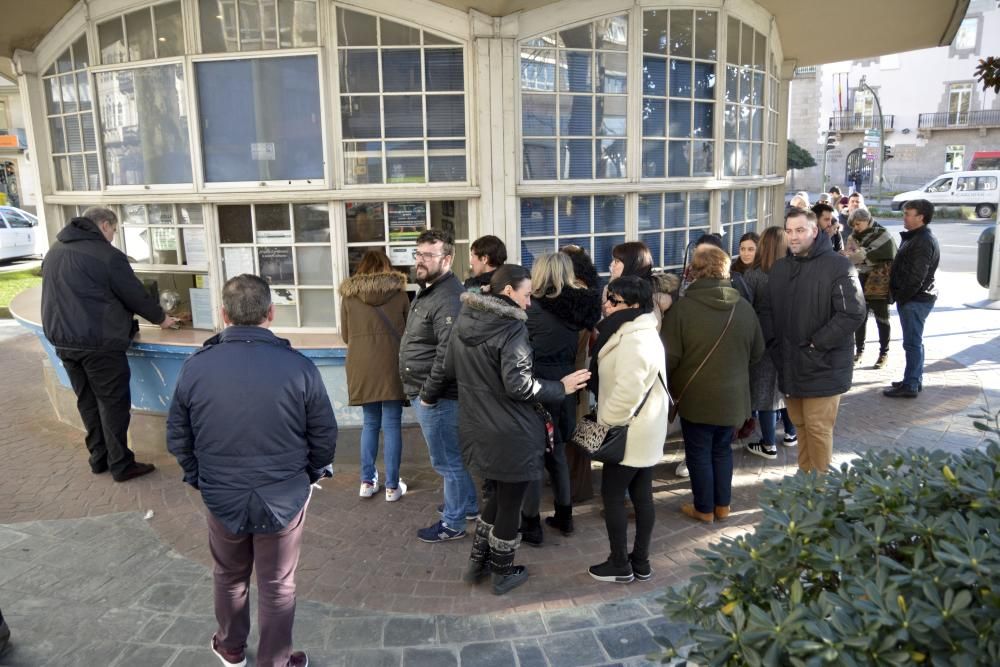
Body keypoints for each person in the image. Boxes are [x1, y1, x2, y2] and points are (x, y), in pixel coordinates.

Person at [167, 274, 338, 667]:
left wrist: (199, 477)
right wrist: (309, 476)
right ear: (270, 313)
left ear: (224, 315)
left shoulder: (196, 367)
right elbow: (324, 434)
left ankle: (230, 647)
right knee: (277, 585)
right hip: (283, 494)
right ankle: (273, 660)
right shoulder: (299, 366)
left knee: (229, 575)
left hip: (224, 491)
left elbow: (178, 434)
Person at [446, 265, 590, 595]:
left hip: (477, 427)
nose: (529, 304)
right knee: (510, 502)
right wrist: (561, 387)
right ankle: (502, 573)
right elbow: (519, 386)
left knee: (497, 496)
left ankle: (476, 564)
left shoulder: (464, 320)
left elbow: (450, 368)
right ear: (509, 292)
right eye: (526, 295)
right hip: (510, 432)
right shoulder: (512, 328)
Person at [41, 206, 179, 482]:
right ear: (104, 225)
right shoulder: (107, 256)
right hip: (98, 342)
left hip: (64, 340)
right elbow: (134, 295)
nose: (114, 236)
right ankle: (121, 464)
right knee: (113, 403)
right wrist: (162, 318)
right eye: (114, 230)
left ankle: (99, 457)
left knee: (87, 401)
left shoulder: (55, 250)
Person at [663, 246, 764, 522]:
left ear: (694, 271)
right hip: (734, 398)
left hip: (695, 396)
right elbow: (757, 353)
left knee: (698, 452)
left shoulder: (683, 309)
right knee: (722, 450)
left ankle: (704, 508)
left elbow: (669, 357)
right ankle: (723, 506)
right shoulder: (743, 307)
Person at [761, 208, 865, 474]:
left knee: (818, 428)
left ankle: (820, 490)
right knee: (800, 425)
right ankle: (805, 482)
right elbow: (768, 310)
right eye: (789, 231)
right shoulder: (781, 268)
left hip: (824, 365)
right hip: (789, 363)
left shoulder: (838, 265)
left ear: (814, 231)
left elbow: (853, 313)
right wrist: (775, 344)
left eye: (800, 230)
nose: (793, 237)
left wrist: (816, 343)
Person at [587, 276, 670, 582]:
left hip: (630, 430)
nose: (606, 306)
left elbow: (628, 391)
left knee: (613, 496)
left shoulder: (636, 337)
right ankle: (640, 562)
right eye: (607, 299)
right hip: (641, 428)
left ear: (634, 305)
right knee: (641, 494)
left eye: (614, 301)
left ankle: (621, 563)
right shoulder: (634, 328)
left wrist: (606, 422)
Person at [400, 229, 479, 541]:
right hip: (428, 393)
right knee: (451, 460)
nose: (420, 261)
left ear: (447, 259)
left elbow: (448, 355)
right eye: (418, 254)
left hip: (438, 397)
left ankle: (453, 523)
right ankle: (468, 505)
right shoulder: (430, 289)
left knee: (447, 463)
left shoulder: (448, 298)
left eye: (428, 256)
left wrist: (429, 395)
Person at [520, 253, 602, 544]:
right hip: (567, 386)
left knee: (531, 456)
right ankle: (565, 516)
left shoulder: (532, 311)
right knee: (556, 454)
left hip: (537, 387)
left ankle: (530, 525)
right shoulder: (579, 309)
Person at [339, 249, 410, 502]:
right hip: (391, 362)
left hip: (361, 364)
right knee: (391, 424)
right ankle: (392, 486)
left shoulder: (349, 297)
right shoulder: (400, 295)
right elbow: (408, 333)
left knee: (370, 423)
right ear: (387, 267)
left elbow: (346, 336)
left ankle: (367, 482)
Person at [743, 227, 797, 459]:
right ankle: (791, 433)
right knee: (784, 389)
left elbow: (746, 309)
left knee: (764, 392)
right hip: (789, 337)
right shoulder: (796, 271)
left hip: (763, 339)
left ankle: (767, 443)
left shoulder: (755, 274)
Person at [560, 244, 602, 503]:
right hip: (582, 369)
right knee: (582, 429)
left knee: (574, 432)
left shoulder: (574, 292)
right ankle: (580, 486)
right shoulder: (588, 289)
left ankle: (575, 489)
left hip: (573, 370)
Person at [885, 199, 940, 398]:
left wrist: (902, 297)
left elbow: (916, 277)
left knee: (912, 343)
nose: (904, 217)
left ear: (921, 217)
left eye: (908, 214)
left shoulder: (923, 240)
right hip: (915, 298)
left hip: (915, 299)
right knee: (914, 342)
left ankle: (911, 384)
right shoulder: (916, 237)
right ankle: (913, 379)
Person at [844, 208, 897, 369]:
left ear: (868, 220)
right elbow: (851, 258)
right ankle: (859, 352)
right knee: (860, 318)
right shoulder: (853, 236)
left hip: (879, 283)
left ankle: (883, 354)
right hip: (859, 281)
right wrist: (863, 257)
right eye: (853, 225)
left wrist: (861, 256)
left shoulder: (883, 234)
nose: (856, 228)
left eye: (858, 224)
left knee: (882, 318)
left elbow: (888, 253)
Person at [607, 241, 679, 328]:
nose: (611, 265)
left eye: (617, 261)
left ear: (631, 265)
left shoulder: (646, 298)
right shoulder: (613, 289)